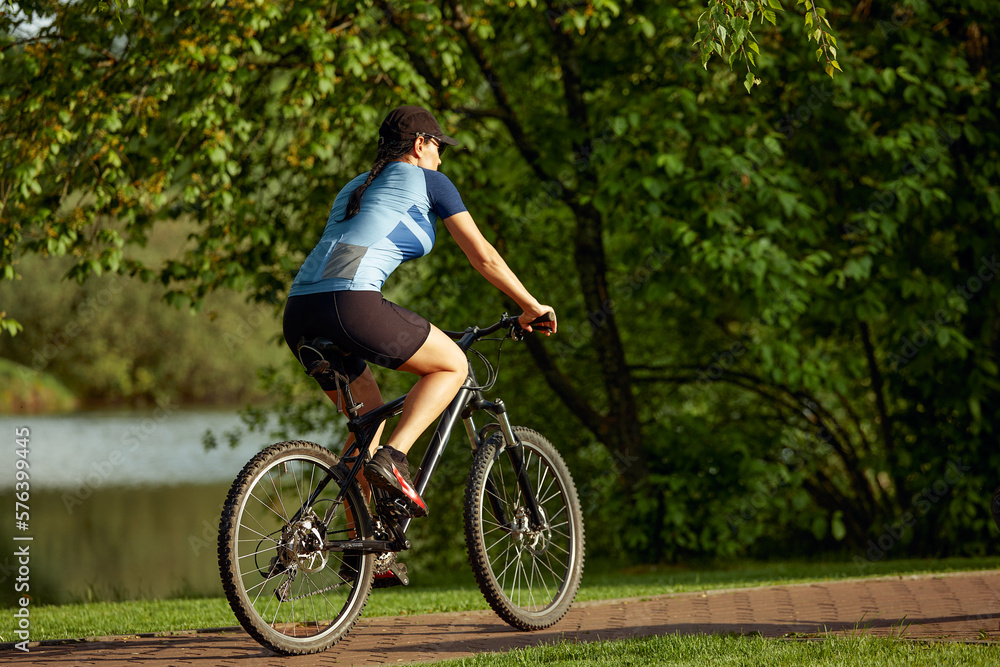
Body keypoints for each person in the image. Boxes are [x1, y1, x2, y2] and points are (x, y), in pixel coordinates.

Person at [282, 105, 556, 522]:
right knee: (453, 366)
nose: (441, 157)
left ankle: (362, 551)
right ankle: (395, 458)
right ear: (419, 144)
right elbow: (484, 258)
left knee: (366, 424)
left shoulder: (354, 187)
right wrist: (530, 306)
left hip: (300, 312)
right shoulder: (431, 181)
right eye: (438, 146)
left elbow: (344, 256)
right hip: (349, 305)